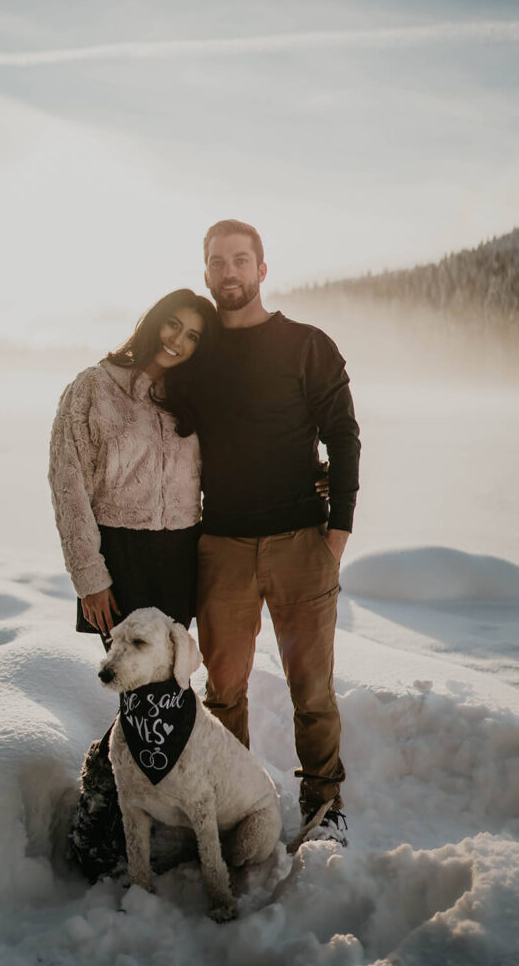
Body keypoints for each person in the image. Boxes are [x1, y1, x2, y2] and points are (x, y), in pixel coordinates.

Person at [189, 219, 361, 844]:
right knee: (224, 690)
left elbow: (342, 435)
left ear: (262, 269)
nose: (228, 272)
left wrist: (336, 531)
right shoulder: (196, 357)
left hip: (300, 543)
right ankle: (237, 807)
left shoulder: (307, 345)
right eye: (216, 262)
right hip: (222, 545)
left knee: (311, 689)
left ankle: (323, 806)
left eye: (240, 260)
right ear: (205, 272)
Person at [48, 288, 219, 879]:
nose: (178, 341)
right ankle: (96, 828)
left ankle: (138, 828)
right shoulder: (93, 388)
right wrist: (90, 577)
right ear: (152, 323)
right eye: (172, 325)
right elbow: (67, 484)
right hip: (119, 556)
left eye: (193, 335)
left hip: (179, 559)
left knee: (160, 698)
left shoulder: (190, 398)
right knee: (136, 696)